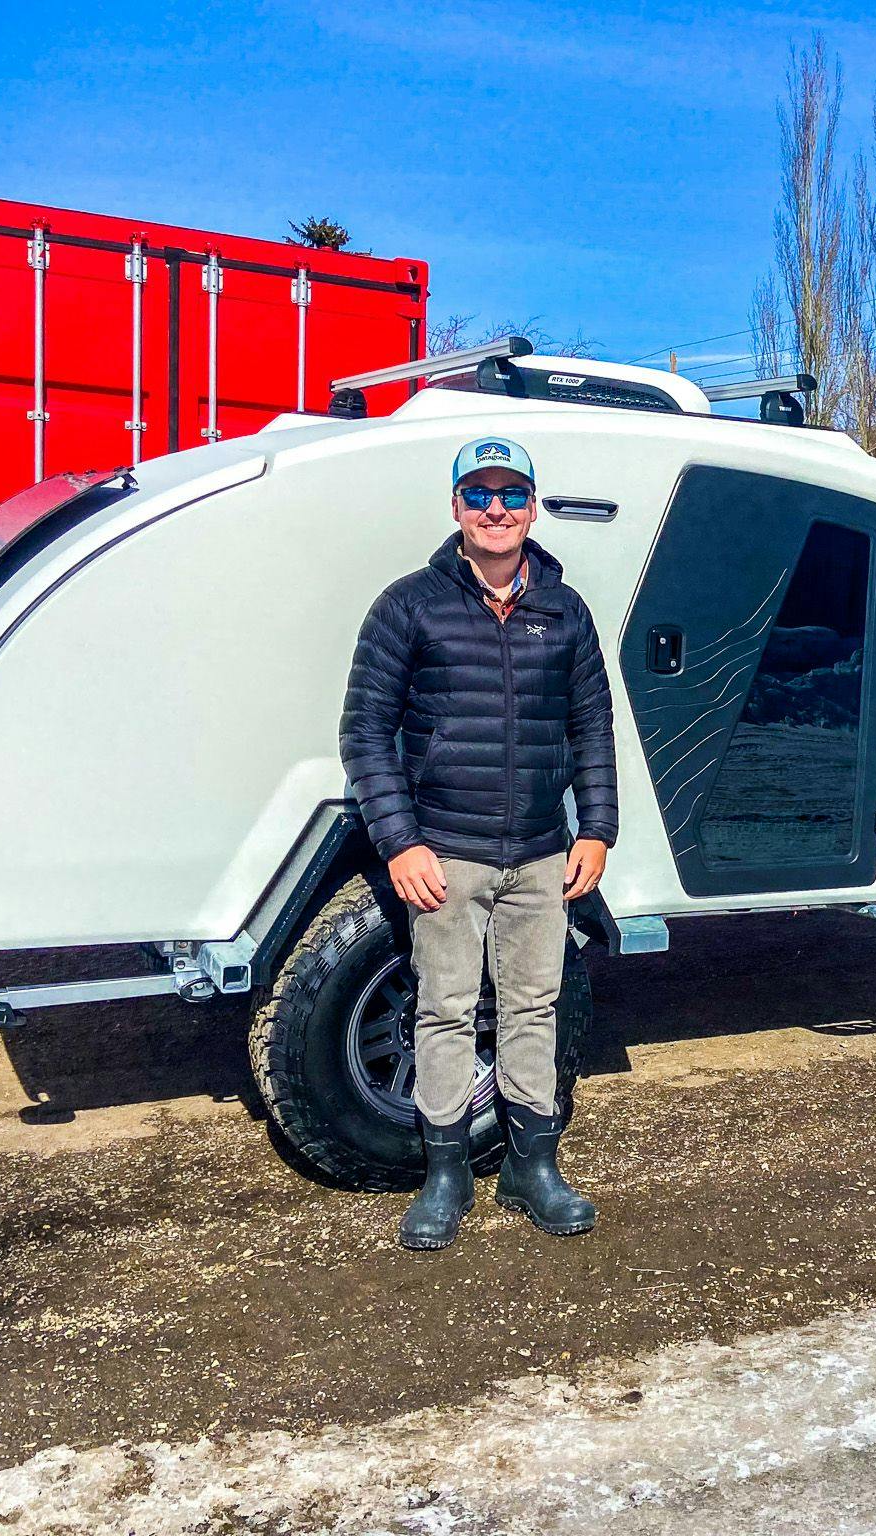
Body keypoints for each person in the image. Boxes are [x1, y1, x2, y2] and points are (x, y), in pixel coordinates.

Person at [339, 435, 617, 1251]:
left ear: (533, 507)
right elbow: (365, 733)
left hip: (539, 850)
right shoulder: (410, 604)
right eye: (478, 495)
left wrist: (596, 828)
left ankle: (534, 1169)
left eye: (511, 495)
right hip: (445, 853)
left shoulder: (565, 611)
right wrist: (399, 841)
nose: (495, 511)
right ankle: (446, 1176)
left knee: (534, 1006)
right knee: (446, 1010)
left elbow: (592, 726)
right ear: (456, 508)